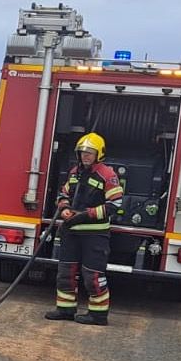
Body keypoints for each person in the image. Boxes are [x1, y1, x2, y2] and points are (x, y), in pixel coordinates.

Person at [45, 132, 124, 326]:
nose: (85, 156)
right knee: (65, 273)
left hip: (95, 236)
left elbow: (115, 204)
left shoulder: (107, 175)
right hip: (71, 233)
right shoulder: (74, 172)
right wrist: (63, 208)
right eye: (82, 152)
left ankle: (98, 315)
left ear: (99, 154)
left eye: (89, 152)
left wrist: (85, 214)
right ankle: (65, 309)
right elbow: (63, 194)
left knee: (92, 276)